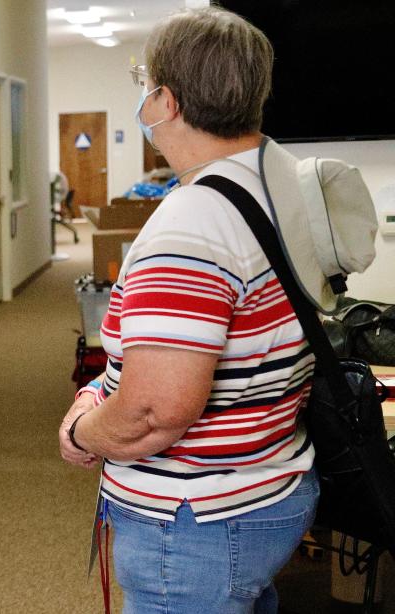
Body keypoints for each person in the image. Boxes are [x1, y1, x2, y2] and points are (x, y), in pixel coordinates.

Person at [58, 8, 318, 613]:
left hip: (196, 519)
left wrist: (80, 430)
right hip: (266, 483)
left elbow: (154, 414)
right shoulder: (276, 187)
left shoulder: (190, 223)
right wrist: (103, 389)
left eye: (143, 84)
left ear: (166, 101)